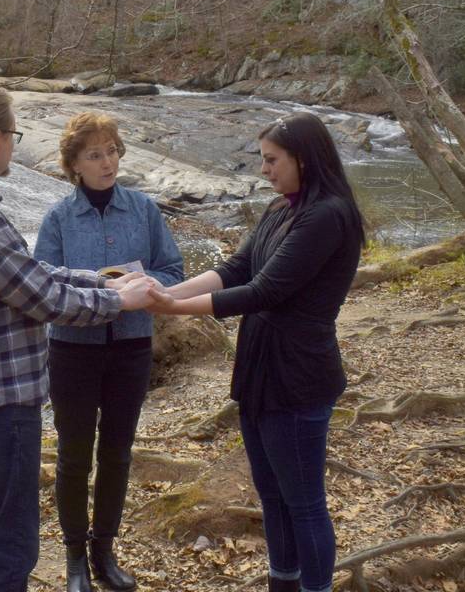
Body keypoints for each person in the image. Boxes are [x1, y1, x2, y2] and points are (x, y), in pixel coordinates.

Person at [0, 86, 159, 592]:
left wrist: (102, 283)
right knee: (11, 550)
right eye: (14, 135)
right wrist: (119, 300)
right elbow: (43, 299)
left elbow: (29, 271)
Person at [144, 112, 365, 592]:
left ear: (303, 160)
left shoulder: (327, 215)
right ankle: (281, 582)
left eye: (271, 160)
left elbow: (264, 291)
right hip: (261, 372)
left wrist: (174, 308)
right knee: (271, 494)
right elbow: (235, 268)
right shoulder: (281, 209)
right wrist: (166, 296)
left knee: (304, 502)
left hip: (299, 375)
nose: (264, 170)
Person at [33, 112, 184, 592]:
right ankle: (74, 557)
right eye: (95, 154)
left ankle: (105, 552)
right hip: (73, 353)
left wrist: (151, 285)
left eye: (113, 150)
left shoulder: (143, 210)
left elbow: (175, 272)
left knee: (118, 453)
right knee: (76, 455)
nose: (107, 161)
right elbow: (42, 289)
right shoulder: (57, 218)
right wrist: (101, 296)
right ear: (74, 164)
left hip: (133, 347)